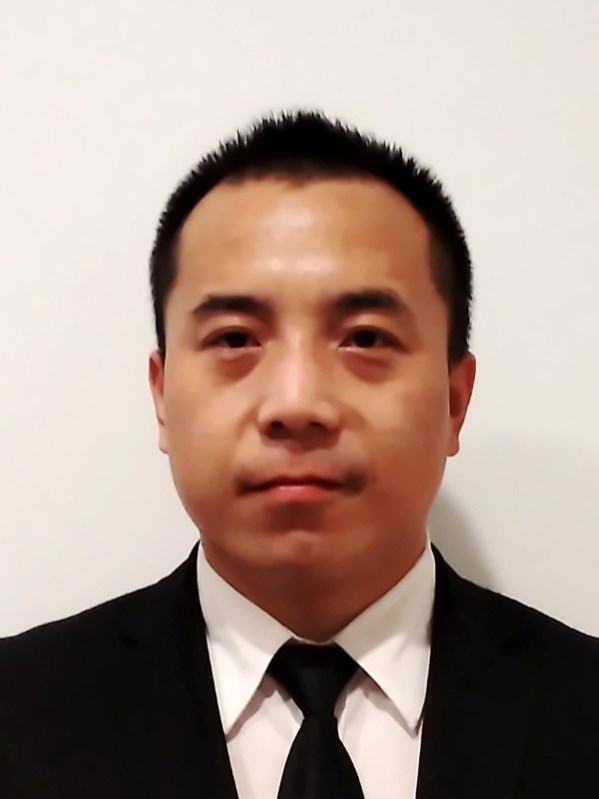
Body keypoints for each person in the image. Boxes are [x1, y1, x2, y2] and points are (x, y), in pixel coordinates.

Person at [1, 110, 598, 799]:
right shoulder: (20, 711)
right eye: (234, 339)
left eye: (365, 338)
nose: (296, 402)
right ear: (162, 397)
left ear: (454, 401)